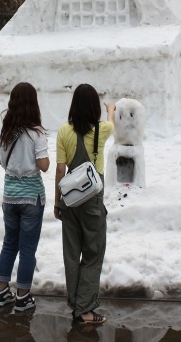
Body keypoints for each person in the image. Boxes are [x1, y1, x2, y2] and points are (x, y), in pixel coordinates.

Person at [54, 84, 115, 325]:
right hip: (92, 202)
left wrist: (57, 202)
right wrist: (110, 108)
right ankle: (86, 311)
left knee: (71, 254)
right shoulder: (102, 130)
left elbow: (60, 169)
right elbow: (111, 120)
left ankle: (76, 304)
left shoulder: (63, 132)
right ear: (93, 107)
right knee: (93, 253)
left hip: (69, 199)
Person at [0, 82, 50, 312]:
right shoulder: (36, 133)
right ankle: (23, 296)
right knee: (27, 249)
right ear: (33, 104)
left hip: (10, 196)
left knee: (9, 244)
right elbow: (44, 166)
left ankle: (1, 291)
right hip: (31, 198)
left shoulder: (5, 131)